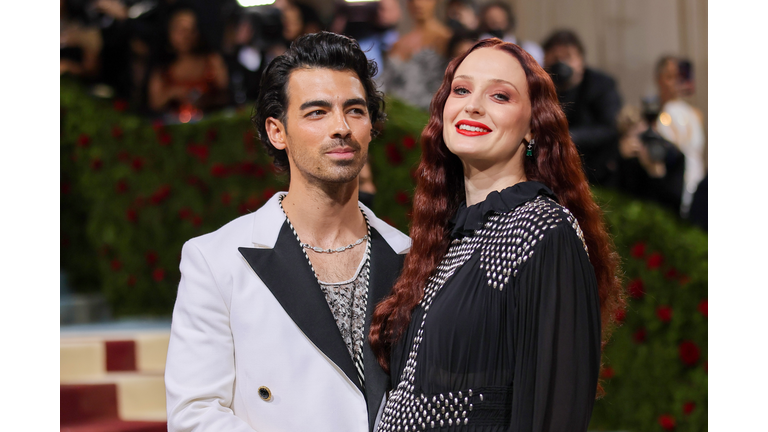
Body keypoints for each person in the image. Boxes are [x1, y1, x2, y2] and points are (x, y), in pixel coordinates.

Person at [370, 38, 623, 431]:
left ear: (533, 128)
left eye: (500, 96)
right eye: (462, 89)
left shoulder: (541, 230)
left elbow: (553, 413)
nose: (473, 105)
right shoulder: (441, 241)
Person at [165, 32, 411, 432]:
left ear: (370, 126)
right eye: (317, 112)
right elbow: (195, 414)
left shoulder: (412, 256)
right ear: (278, 132)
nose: (341, 127)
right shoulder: (216, 259)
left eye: (355, 110)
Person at [543, 30, 622, 186]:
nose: (561, 63)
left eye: (567, 57)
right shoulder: (539, 87)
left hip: (597, 167)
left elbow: (610, 127)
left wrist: (568, 137)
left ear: (581, 61)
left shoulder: (601, 85)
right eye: (556, 58)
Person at [146, 3, 229, 118]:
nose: (186, 36)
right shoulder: (162, 68)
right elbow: (155, 103)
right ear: (169, 32)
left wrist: (207, 100)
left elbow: (226, 94)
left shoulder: (212, 60)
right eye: (180, 30)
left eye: (191, 30)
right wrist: (173, 93)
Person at [653, 55, 706, 218]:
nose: (676, 82)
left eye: (679, 77)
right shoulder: (657, 115)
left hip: (698, 178)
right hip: (674, 186)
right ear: (659, 80)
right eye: (670, 77)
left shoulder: (694, 113)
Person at [383, 0, 453, 110]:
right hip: (395, 115)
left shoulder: (447, 39)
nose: (418, 4)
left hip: (432, 114)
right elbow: (386, 83)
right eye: (412, 1)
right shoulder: (397, 44)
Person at [478, 1, 544, 65]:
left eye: (500, 18)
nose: (496, 22)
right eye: (491, 19)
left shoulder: (529, 48)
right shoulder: (478, 47)